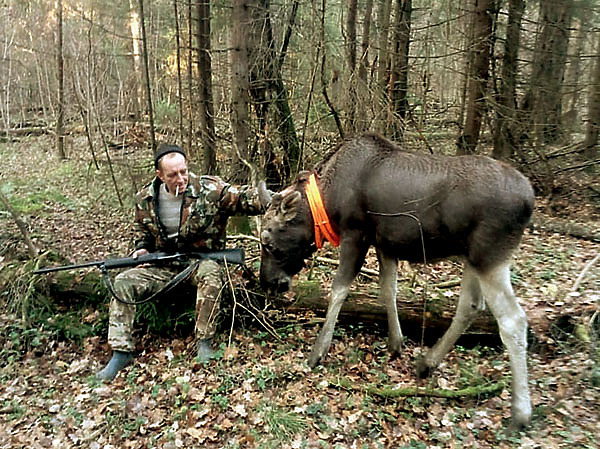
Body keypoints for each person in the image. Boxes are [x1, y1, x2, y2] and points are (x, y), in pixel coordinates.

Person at [97, 143, 265, 381]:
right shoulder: (145, 199)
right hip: (164, 267)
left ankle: (204, 342)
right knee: (123, 281)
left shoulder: (209, 190)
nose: (181, 178)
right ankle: (120, 352)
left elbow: (246, 200)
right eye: (173, 175)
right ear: (160, 175)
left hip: (200, 263)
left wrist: (281, 199)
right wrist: (142, 250)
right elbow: (142, 233)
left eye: (184, 171)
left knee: (209, 272)